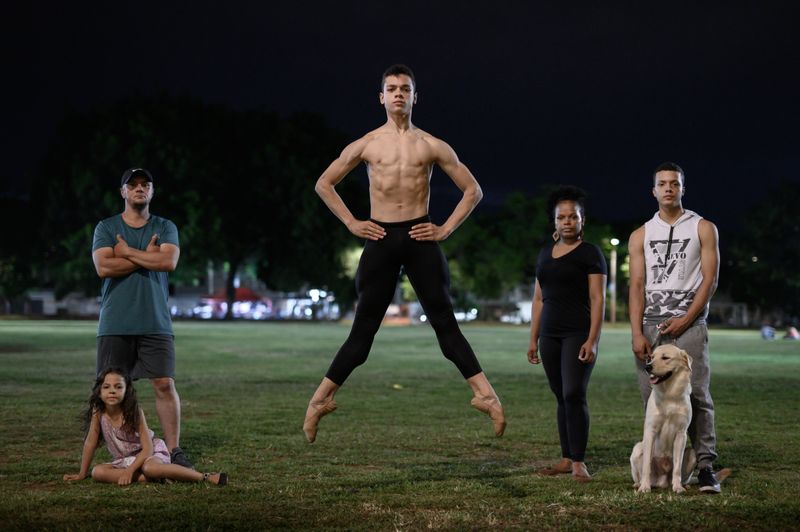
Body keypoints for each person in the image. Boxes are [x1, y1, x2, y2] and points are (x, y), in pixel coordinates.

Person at [302, 64, 506, 442]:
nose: (398, 94)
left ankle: (486, 396)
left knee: (445, 322)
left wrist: (444, 229)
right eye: (392, 88)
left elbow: (473, 190)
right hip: (379, 237)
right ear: (381, 97)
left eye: (405, 89)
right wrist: (352, 223)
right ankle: (319, 401)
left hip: (420, 236)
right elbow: (324, 184)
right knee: (363, 331)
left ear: (415, 97)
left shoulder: (431, 145)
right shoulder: (366, 144)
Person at [628, 161, 722, 493]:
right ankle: (656, 467)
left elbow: (709, 280)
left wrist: (686, 317)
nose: (669, 188)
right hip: (652, 325)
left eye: (675, 183)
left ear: (683, 188)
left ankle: (707, 465)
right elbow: (637, 284)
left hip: (691, 324)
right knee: (652, 395)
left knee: (697, 394)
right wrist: (637, 332)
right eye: (662, 183)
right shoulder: (641, 234)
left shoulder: (703, 228)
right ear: (653, 190)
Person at [91, 168, 191, 468]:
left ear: (152, 191)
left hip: (155, 321)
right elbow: (103, 268)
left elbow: (168, 261)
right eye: (131, 185)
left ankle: (173, 450)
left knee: (164, 383)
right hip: (115, 321)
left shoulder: (165, 226)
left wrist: (125, 252)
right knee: (110, 388)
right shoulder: (106, 227)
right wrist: (143, 256)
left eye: (145, 184)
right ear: (122, 192)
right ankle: (116, 447)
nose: (139, 189)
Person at [527, 186, 607, 482]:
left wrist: (593, 339)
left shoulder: (591, 254)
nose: (567, 222)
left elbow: (598, 298)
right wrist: (533, 338)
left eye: (573, 217)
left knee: (574, 393)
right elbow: (538, 298)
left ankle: (578, 461)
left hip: (578, 333)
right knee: (561, 395)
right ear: (555, 221)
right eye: (561, 217)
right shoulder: (545, 253)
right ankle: (564, 458)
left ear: (582, 220)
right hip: (550, 334)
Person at [63, 368, 227, 486]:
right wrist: (82, 474)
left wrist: (129, 472)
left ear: (127, 391)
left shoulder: (134, 412)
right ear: (99, 391)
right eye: (107, 387)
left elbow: (148, 448)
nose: (112, 391)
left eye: (118, 386)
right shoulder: (98, 412)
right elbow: (90, 442)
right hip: (125, 460)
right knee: (97, 472)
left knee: (150, 467)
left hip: (149, 454)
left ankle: (204, 477)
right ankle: (155, 477)